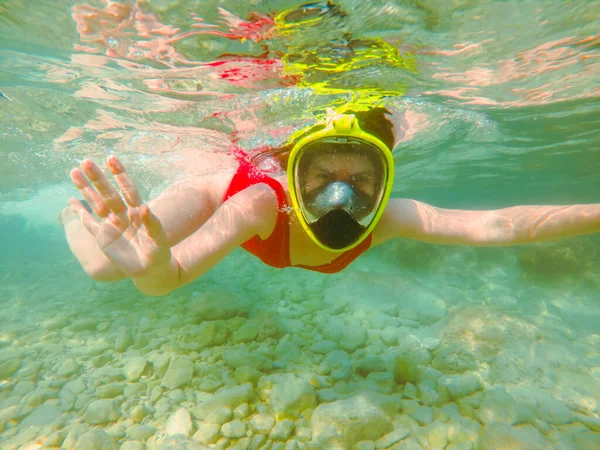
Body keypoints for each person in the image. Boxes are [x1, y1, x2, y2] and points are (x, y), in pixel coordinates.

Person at [60, 106, 600, 296]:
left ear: (382, 183)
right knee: (105, 269)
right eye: (322, 176)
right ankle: (70, 213)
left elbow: (503, 226)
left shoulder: (384, 220)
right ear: (295, 177)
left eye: (360, 182)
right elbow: (167, 281)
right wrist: (153, 267)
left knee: (124, 267)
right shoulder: (256, 206)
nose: (340, 197)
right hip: (217, 183)